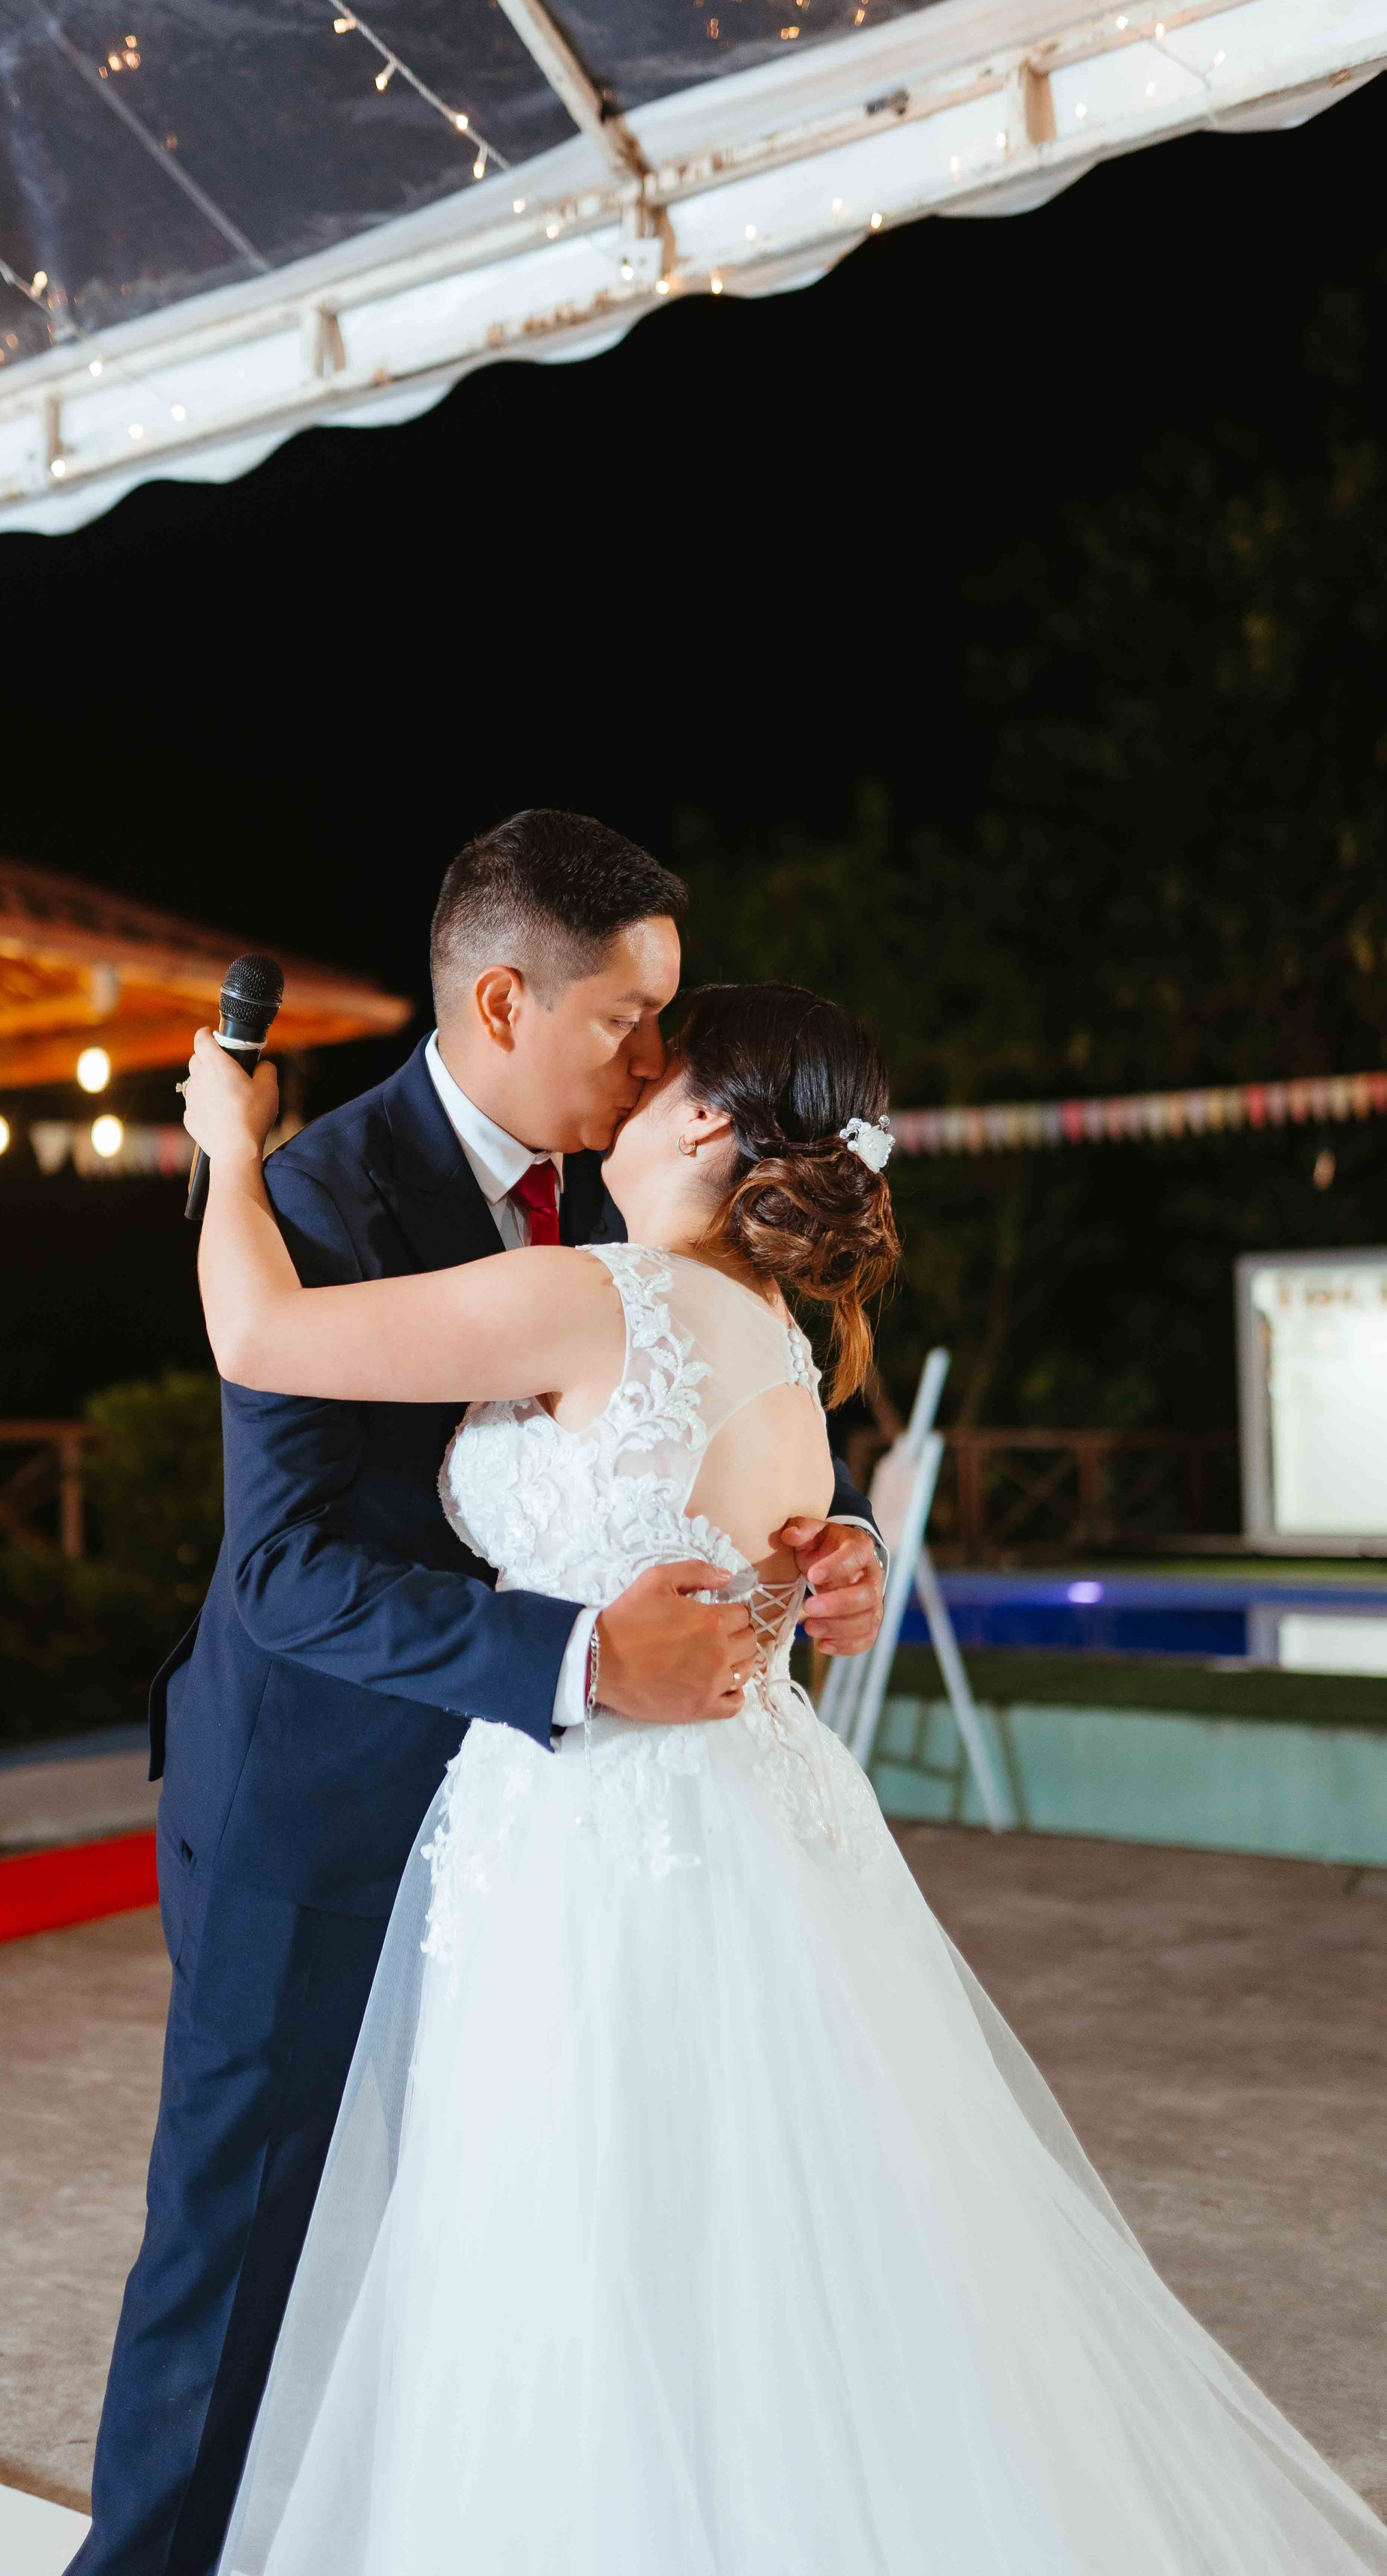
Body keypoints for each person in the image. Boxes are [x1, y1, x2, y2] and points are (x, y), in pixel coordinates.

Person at [178, 976, 1387, 2575]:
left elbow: (259, 1335)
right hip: (747, 1823)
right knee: (762, 2257)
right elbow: (756, 1558)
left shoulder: (588, 1292)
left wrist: (225, 1146)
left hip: (591, 1831)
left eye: (646, 1067)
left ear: (694, 1119)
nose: (616, 1090)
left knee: (588, 2254)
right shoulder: (777, 1338)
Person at [70, 814, 889, 2576]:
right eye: (633, 1024)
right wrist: (583, 1659)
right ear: (506, 1002)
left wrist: (810, 1556)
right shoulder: (313, 1197)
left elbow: (700, 1438)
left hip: (568, 1858)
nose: (667, 1063)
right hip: (322, 1807)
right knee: (233, 2262)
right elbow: (279, 1572)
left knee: (542, 2261)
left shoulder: (657, 1214)